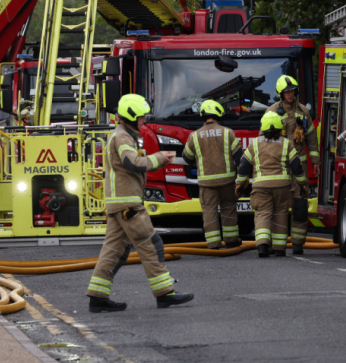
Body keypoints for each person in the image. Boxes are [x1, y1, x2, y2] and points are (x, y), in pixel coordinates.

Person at [87, 94, 194, 312]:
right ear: (131, 116)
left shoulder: (122, 135)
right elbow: (131, 162)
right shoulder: (123, 137)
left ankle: (97, 298)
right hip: (128, 205)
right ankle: (165, 294)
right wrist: (161, 158)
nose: (144, 121)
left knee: (113, 252)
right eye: (142, 118)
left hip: (119, 204)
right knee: (151, 244)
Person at [236, 112, 307, 257]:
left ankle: (262, 246)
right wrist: (302, 184)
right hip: (283, 187)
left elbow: (243, 166)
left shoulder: (255, 143)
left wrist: (239, 183)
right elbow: (296, 167)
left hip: (261, 187)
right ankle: (280, 248)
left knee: (263, 214)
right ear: (280, 128)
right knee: (280, 214)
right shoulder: (286, 144)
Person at [267, 75, 320, 255]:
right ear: (281, 94)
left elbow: (312, 139)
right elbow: (262, 141)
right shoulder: (272, 111)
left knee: (300, 205)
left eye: (292, 91)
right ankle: (278, 245)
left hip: (300, 167)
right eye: (287, 92)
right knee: (279, 205)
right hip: (279, 167)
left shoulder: (304, 111)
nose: (290, 94)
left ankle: (297, 244)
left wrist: (316, 161)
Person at [183, 99, 244, 249]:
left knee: (209, 211)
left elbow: (186, 158)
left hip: (206, 183)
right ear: (217, 113)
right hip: (227, 181)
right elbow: (239, 158)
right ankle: (231, 240)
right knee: (228, 208)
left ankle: (213, 243)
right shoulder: (228, 133)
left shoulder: (194, 136)